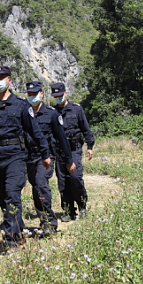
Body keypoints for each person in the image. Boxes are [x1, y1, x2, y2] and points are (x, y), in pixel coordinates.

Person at [0, 66, 50, 251]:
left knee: (12, 194)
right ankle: (19, 230)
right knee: (2, 195)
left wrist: (45, 154)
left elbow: (35, 132)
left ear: (9, 81)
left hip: (16, 156)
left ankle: (11, 240)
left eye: (1, 77)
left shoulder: (21, 105)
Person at [24, 81, 75, 236]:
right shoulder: (23, 113)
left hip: (45, 157)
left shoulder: (52, 114)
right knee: (35, 189)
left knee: (41, 184)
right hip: (28, 157)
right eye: (30, 94)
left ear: (42, 94)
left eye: (35, 94)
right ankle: (43, 219)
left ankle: (50, 223)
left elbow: (62, 138)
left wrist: (69, 160)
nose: (32, 97)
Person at [50, 83, 95, 221]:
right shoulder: (52, 112)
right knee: (63, 182)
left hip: (74, 149)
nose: (58, 98)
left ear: (66, 93)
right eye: (55, 96)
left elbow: (85, 128)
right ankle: (69, 211)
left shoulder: (76, 109)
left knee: (75, 178)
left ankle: (82, 206)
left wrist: (89, 146)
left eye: (60, 95)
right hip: (59, 151)